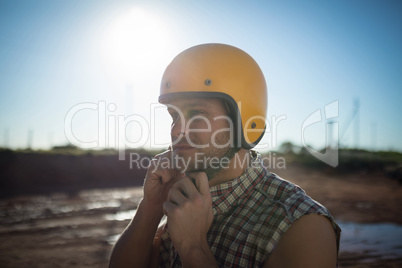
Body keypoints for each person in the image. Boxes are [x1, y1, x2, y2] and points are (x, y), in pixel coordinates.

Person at [109, 43, 341, 268]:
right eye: (173, 115)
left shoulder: (302, 226)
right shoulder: (182, 201)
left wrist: (193, 248)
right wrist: (151, 207)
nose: (177, 130)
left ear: (243, 122)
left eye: (197, 114)